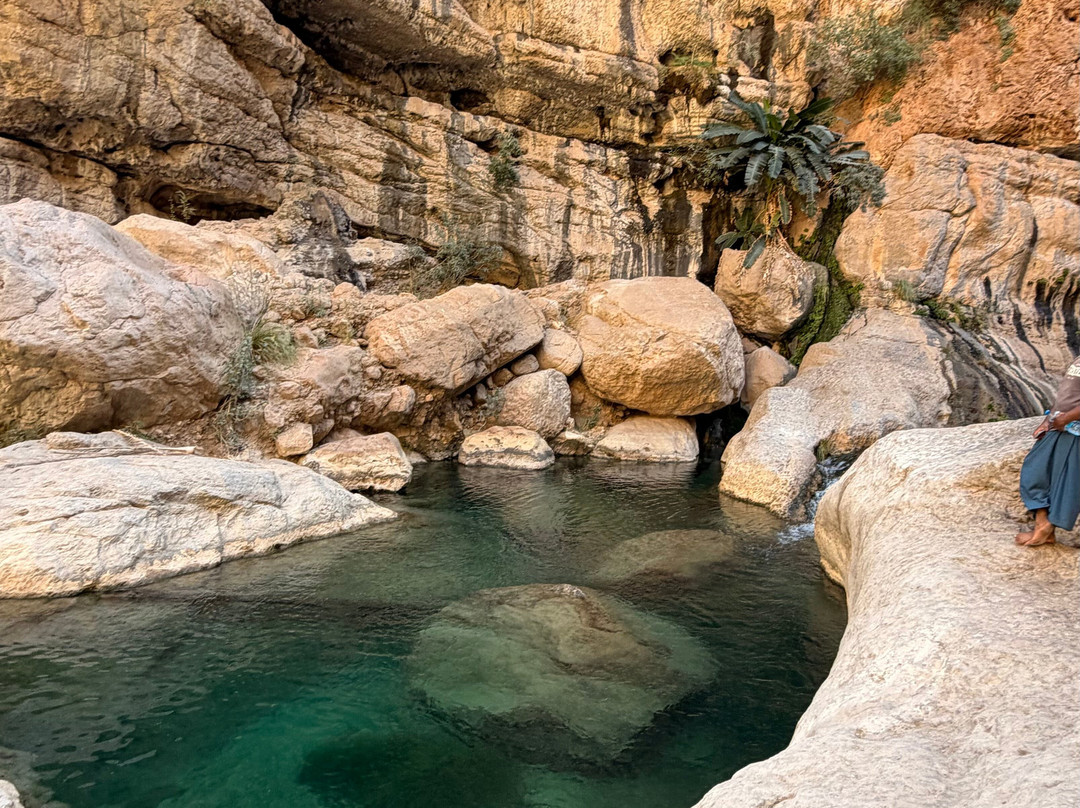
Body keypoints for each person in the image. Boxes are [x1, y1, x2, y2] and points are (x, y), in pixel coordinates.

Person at [1016, 355, 1080, 546]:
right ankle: (1043, 524)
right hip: (1060, 425)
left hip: (1073, 429)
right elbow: (1065, 395)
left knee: (1067, 482)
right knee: (1035, 469)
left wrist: (1066, 418)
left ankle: (1046, 528)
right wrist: (1048, 420)